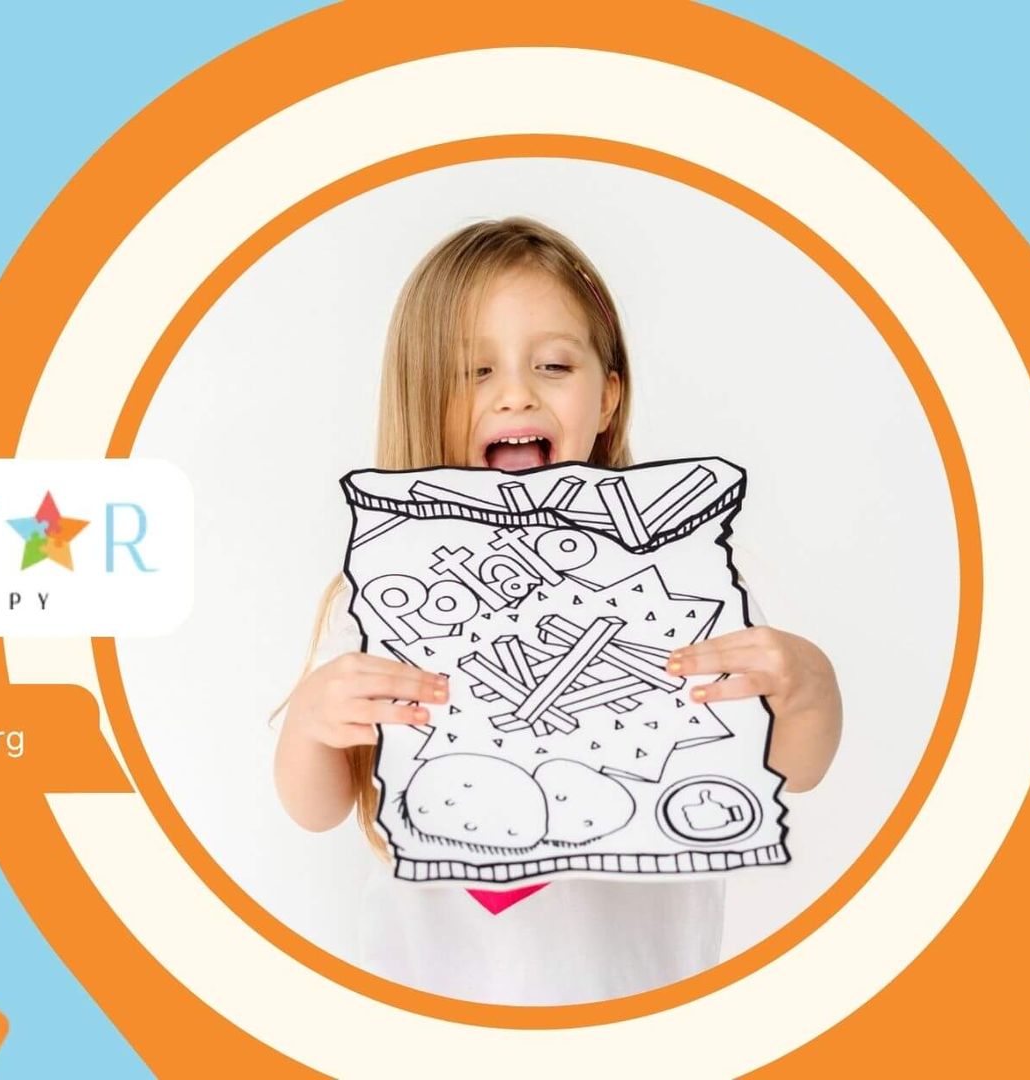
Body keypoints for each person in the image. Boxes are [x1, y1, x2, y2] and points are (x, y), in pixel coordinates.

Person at [270, 216, 844, 1005]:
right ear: (419, 395)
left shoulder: (686, 586)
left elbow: (792, 769)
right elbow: (319, 807)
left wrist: (810, 686)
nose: (514, 393)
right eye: (471, 370)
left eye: (552, 364)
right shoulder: (384, 596)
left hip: (645, 1007)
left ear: (608, 396)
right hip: (437, 1017)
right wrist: (309, 722)